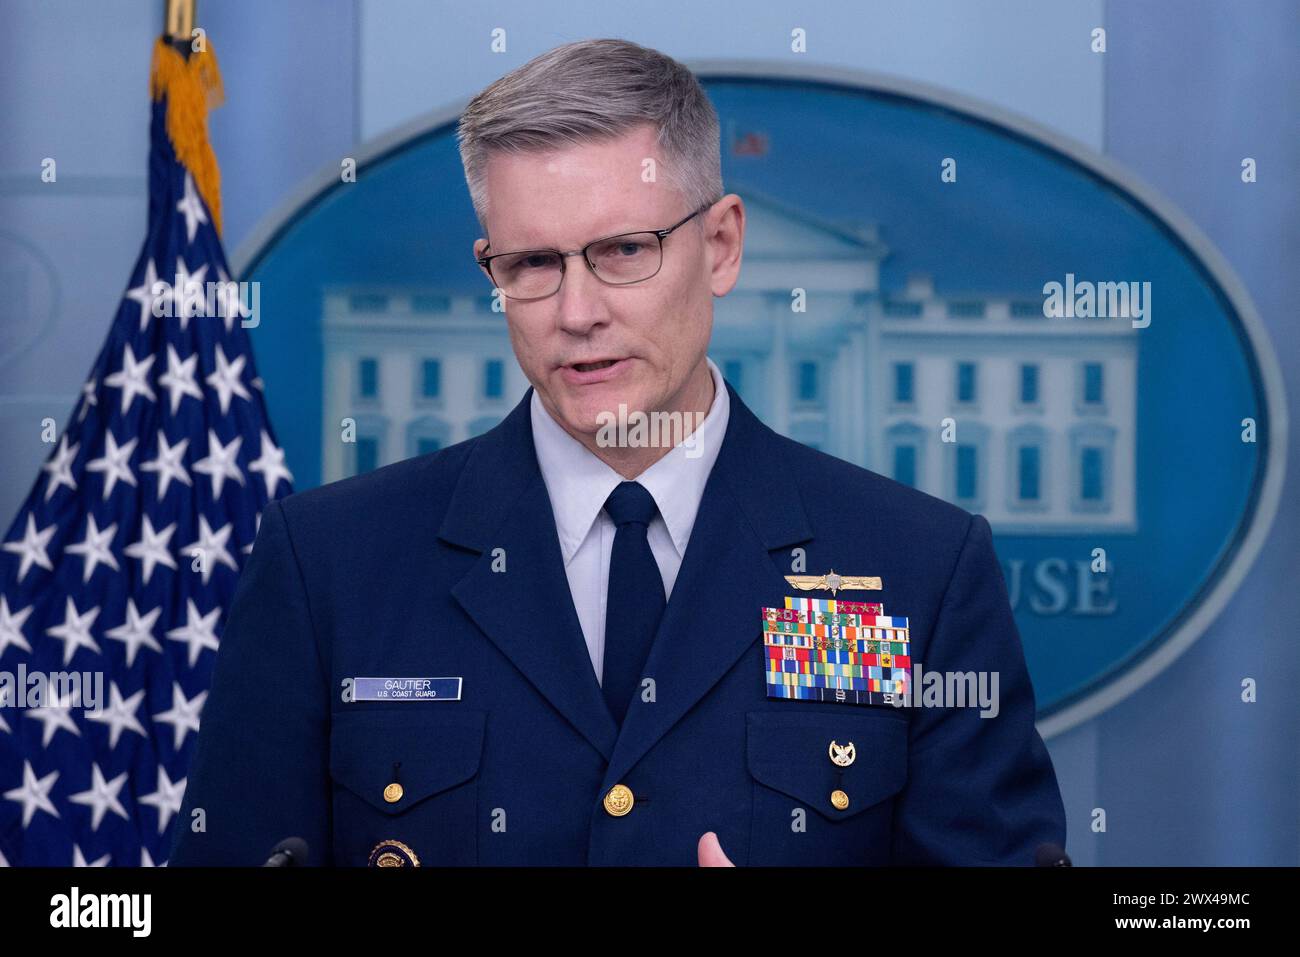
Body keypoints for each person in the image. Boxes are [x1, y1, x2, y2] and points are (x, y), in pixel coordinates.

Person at [170, 37, 1065, 867]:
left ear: (720, 245)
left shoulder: (918, 569)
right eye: (533, 265)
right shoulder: (326, 565)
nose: (577, 311)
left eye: (625, 250)